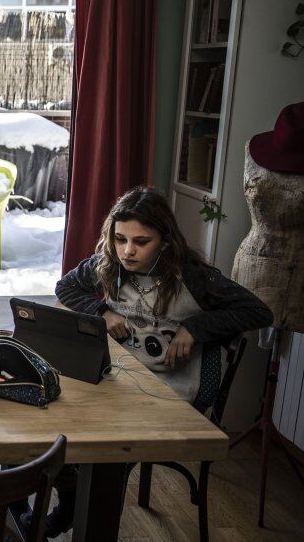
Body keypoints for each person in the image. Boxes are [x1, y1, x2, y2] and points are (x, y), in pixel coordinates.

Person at [34, 186, 273, 537]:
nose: (128, 251)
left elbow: (258, 311)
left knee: (103, 448)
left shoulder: (193, 276)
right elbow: (66, 288)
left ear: (164, 239)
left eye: (141, 241)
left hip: (171, 390)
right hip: (119, 379)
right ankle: (69, 500)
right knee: (48, 421)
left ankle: (84, 516)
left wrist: (195, 327)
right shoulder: (108, 263)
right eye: (120, 239)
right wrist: (101, 310)